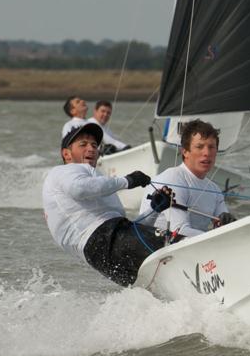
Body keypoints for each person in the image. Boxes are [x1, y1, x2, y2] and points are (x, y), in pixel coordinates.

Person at [42, 122, 172, 286]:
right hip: (104, 241)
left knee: (161, 286)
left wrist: (154, 210)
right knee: (179, 245)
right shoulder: (63, 171)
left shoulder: (94, 182)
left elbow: (131, 231)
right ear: (66, 154)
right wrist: (127, 180)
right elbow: (79, 189)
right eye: (83, 144)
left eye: (95, 145)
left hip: (101, 255)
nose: (91, 148)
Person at [138, 119, 235, 237]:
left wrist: (227, 225)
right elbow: (180, 231)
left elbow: (227, 230)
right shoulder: (172, 179)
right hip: (155, 247)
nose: (207, 153)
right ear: (185, 152)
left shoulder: (214, 190)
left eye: (211, 147)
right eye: (199, 146)